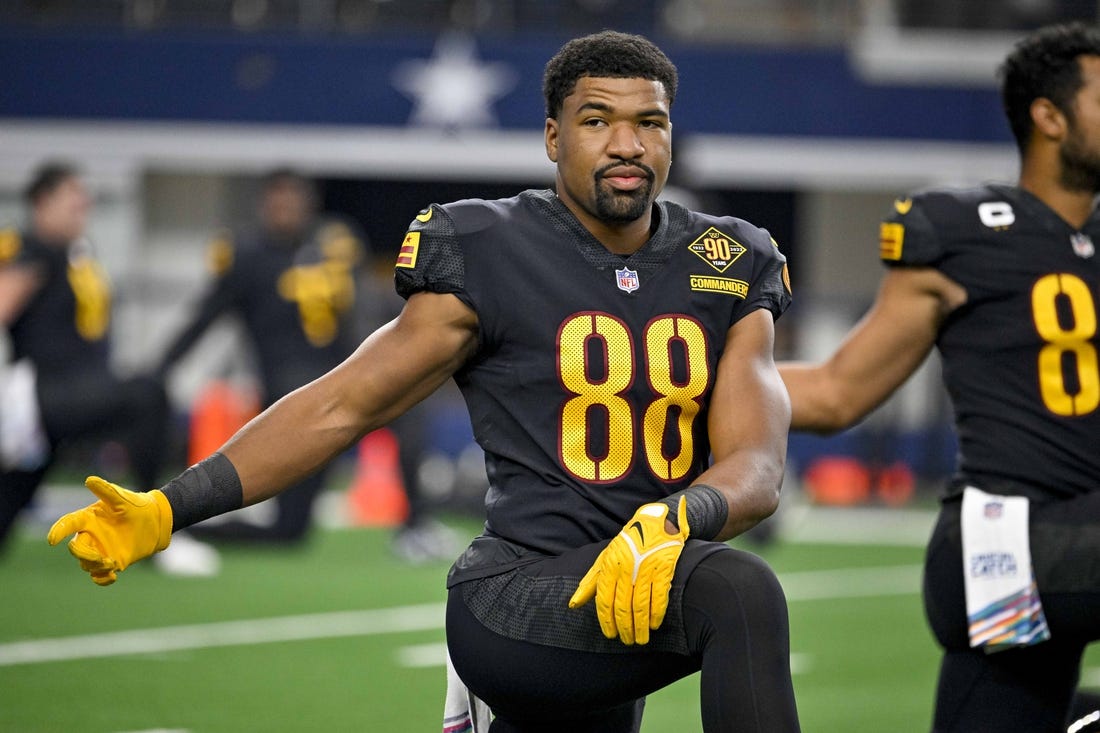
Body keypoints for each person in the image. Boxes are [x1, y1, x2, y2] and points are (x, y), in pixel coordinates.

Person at [47, 31, 801, 732]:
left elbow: (757, 465)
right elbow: (341, 404)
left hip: (640, 583)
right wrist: (170, 506)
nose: (628, 143)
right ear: (552, 136)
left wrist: (677, 516)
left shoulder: (727, 261)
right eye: (597, 120)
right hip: (518, 595)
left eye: (651, 121)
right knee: (740, 592)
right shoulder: (488, 246)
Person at [778, 22, 1100, 733]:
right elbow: (837, 391)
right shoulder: (968, 229)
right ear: (1050, 117)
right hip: (1001, 546)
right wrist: (675, 382)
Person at [158, 168, 457, 562]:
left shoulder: (335, 241)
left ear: (308, 205)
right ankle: (182, 527)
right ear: (264, 205)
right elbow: (205, 316)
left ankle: (414, 527)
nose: (285, 210)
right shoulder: (247, 255)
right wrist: (161, 368)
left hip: (346, 375)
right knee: (289, 530)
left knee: (411, 411)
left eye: (293, 200)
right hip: (295, 398)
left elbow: (365, 305)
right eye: (277, 201)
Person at [0, 162, 171, 553]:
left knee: (9, 502)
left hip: (74, 391)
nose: (83, 203)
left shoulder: (74, 252)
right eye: (72, 195)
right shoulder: (33, 247)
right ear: (43, 201)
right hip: (48, 393)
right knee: (146, 396)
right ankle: (155, 528)